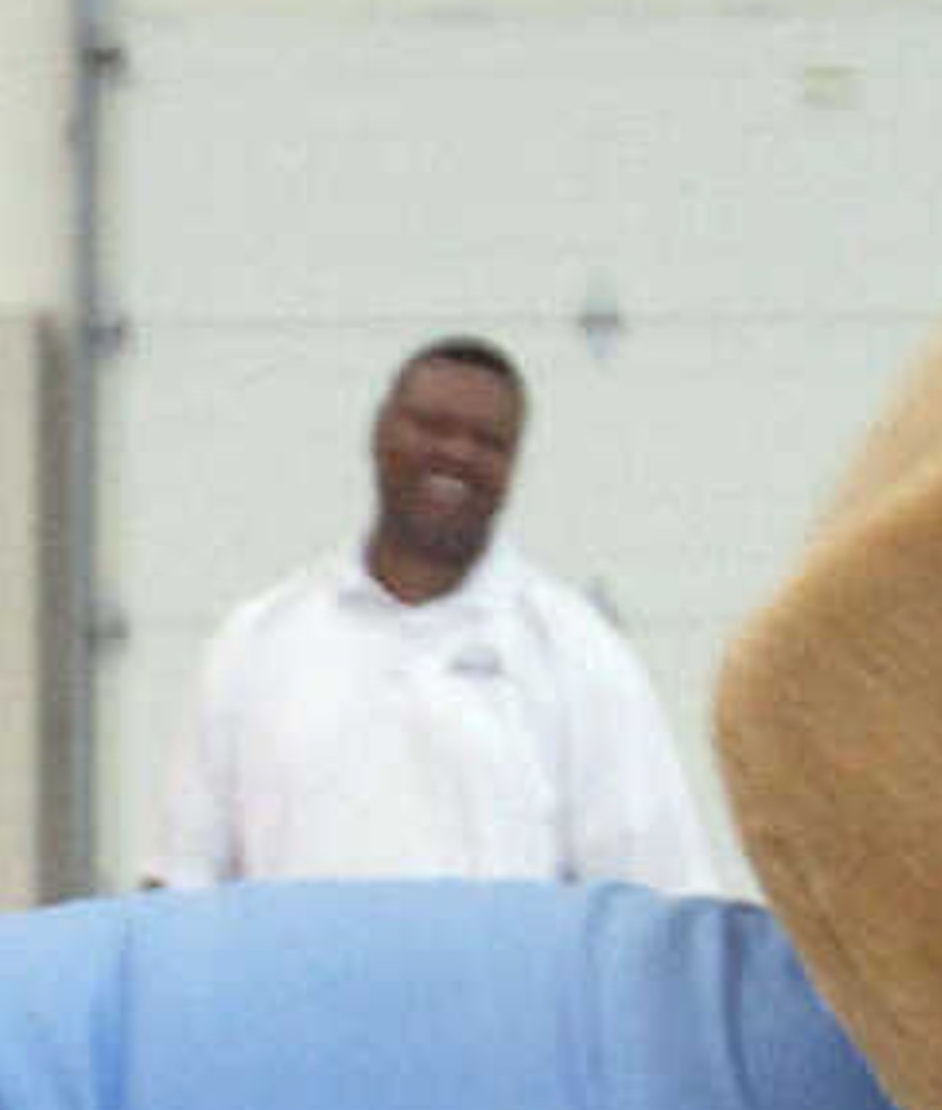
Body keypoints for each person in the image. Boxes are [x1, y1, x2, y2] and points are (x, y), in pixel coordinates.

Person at [143, 334, 715, 892]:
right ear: (380, 433)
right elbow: (179, 884)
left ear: (513, 466)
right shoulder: (256, 644)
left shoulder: (578, 654)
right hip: (291, 992)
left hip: (500, 993)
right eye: (431, 426)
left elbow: (653, 895)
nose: (457, 453)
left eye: (488, 441)